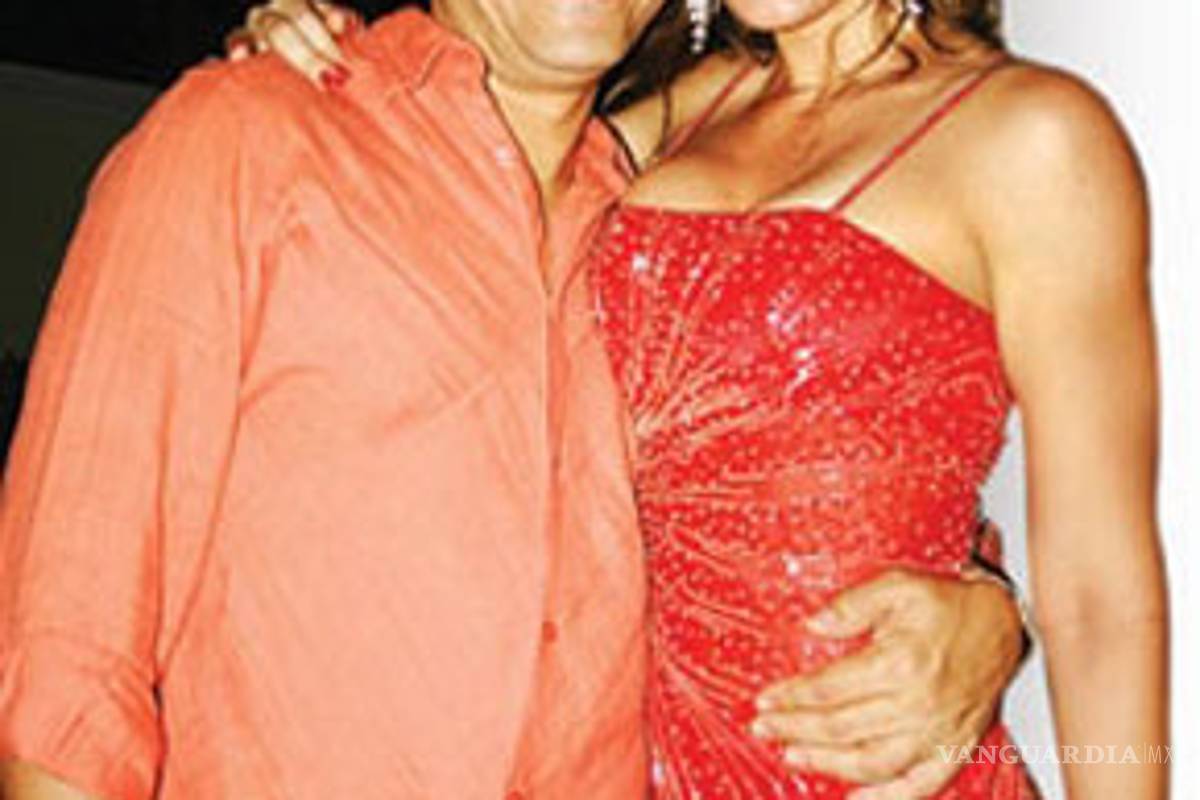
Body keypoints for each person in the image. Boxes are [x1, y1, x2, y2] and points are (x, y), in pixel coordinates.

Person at [0, 2, 1034, 799]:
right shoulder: (247, 135)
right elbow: (66, 659)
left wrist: (992, 612)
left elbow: (804, 487)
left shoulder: (652, 244)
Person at [246, 0, 1169, 798]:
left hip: (863, 773)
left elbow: (1101, 598)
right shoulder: (669, 113)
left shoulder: (1034, 138)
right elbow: (436, 160)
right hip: (617, 760)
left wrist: (1005, 622)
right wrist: (315, 59)